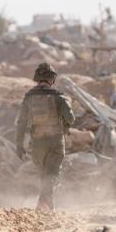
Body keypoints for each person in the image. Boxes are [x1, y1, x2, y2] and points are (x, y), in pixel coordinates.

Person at [16, 63, 75, 211]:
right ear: (52, 79)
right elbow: (71, 118)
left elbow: (21, 123)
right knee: (52, 173)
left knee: (44, 174)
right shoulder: (59, 96)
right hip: (55, 140)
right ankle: (42, 203)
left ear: (37, 78)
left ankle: (48, 205)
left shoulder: (29, 97)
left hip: (37, 142)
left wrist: (19, 145)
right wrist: (64, 128)